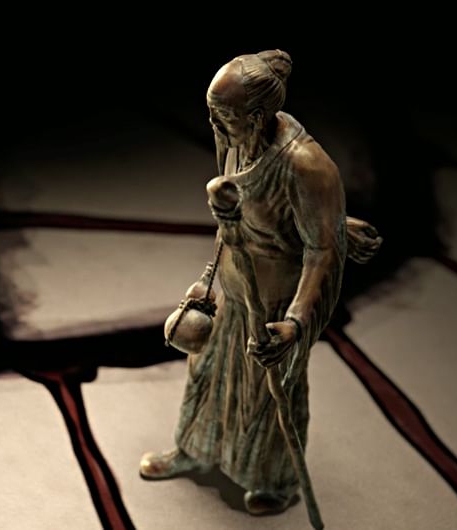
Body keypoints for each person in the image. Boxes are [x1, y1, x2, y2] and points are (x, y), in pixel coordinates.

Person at [140, 49, 381, 516]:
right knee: (207, 374)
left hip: (276, 301)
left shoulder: (308, 165)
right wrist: (208, 278)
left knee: (269, 394)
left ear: (255, 116)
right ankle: (194, 449)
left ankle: (273, 480)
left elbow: (322, 250)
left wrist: (295, 322)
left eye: (223, 114)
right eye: (211, 110)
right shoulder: (235, 140)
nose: (214, 122)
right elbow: (235, 223)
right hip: (233, 290)